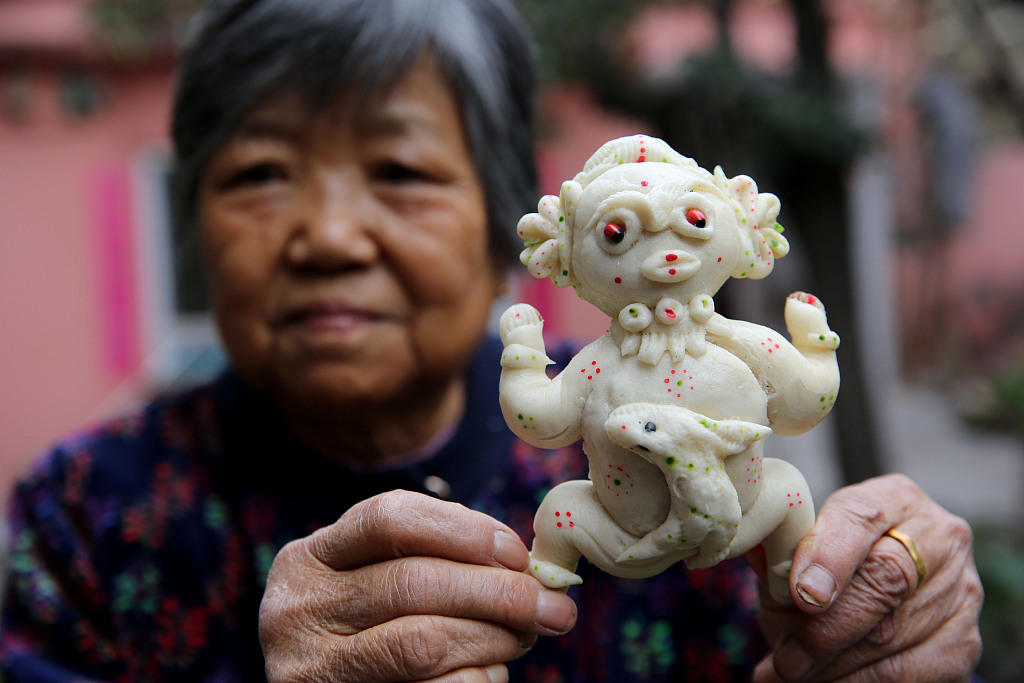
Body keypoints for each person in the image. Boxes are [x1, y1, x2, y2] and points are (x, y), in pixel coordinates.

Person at [0, 0, 983, 681]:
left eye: (399, 168)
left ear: (496, 227)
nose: (329, 236)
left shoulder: (639, 454)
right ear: (195, 222)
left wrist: (873, 623)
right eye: (259, 172)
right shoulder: (84, 517)